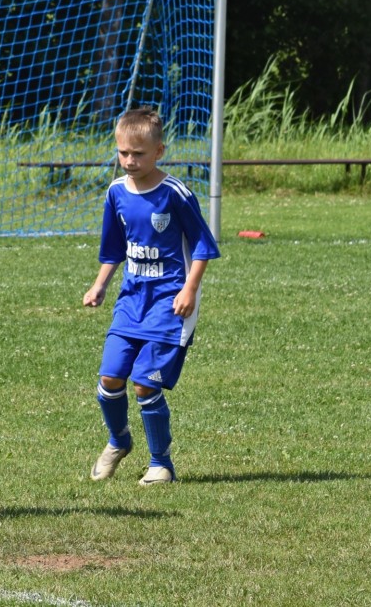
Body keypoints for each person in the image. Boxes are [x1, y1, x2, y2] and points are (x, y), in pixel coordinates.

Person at [82, 107, 220, 485]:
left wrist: (190, 289)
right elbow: (114, 248)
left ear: (159, 151)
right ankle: (118, 441)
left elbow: (204, 246)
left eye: (138, 154)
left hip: (170, 301)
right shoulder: (116, 192)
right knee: (110, 378)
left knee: (145, 382)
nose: (129, 160)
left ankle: (161, 464)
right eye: (123, 152)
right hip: (132, 300)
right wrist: (100, 284)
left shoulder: (175, 193)